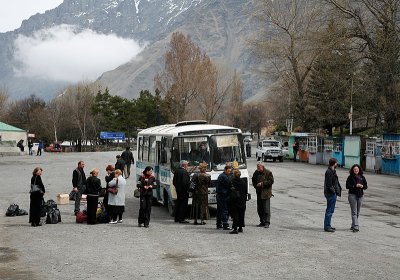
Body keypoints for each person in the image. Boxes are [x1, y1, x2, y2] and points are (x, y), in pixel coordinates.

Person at [346, 164, 368, 233]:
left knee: (357, 212)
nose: (356, 170)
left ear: (359, 170)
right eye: (354, 169)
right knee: (354, 212)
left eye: (357, 169)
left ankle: (353, 224)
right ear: (352, 170)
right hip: (352, 195)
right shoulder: (350, 177)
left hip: (360, 195)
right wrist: (355, 186)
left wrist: (362, 186)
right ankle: (356, 226)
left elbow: (366, 186)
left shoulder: (362, 177)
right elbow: (347, 186)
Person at [252, 163, 274, 228]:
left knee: (266, 209)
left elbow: (271, 181)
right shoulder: (256, 172)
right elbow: (253, 180)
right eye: (257, 166)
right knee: (259, 209)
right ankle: (262, 221)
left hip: (266, 194)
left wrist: (262, 184)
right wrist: (255, 186)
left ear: (262, 166)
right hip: (259, 193)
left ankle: (267, 222)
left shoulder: (268, 172)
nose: (257, 168)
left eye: (259, 166)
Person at [324, 158, 342, 232]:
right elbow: (329, 184)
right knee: (329, 210)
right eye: (336, 163)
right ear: (334, 163)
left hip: (332, 193)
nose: (337, 164)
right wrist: (334, 192)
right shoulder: (329, 172)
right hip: (330, 193)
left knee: (331, 210)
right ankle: (327, 226)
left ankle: (328, 225)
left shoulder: (333, 171)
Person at [228, 169, 247, 234]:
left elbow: (229, 191)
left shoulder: (232, 182)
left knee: (235, 214)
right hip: (242, 200)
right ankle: (240, 228)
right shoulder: (243, 182)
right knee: (241, 214)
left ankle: (235, 228)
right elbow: (245, 191)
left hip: (234, 201)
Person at [216, 165, 232, 230]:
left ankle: (219, 224)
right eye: (228, 171)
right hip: (223, 196)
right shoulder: (224, 177)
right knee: (225, 210)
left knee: (219, 210)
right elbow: (228, 184)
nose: (229, 172)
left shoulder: (221, 176)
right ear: (225, 170)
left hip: (220, 195)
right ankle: (225, 224)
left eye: (230, 171)